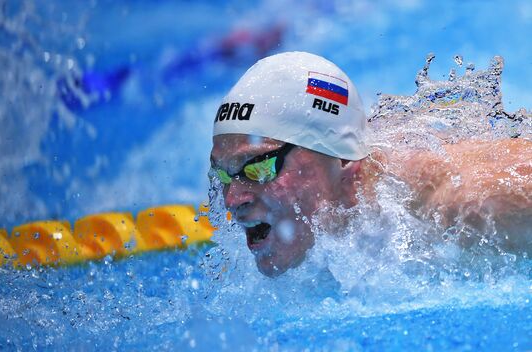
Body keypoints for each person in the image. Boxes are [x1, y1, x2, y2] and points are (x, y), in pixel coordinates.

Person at [209, 52, 532, 277]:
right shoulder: (320, 227)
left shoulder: (462, 206)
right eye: (223, 173)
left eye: (257, 167)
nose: (232, 199)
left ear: (343, 157)